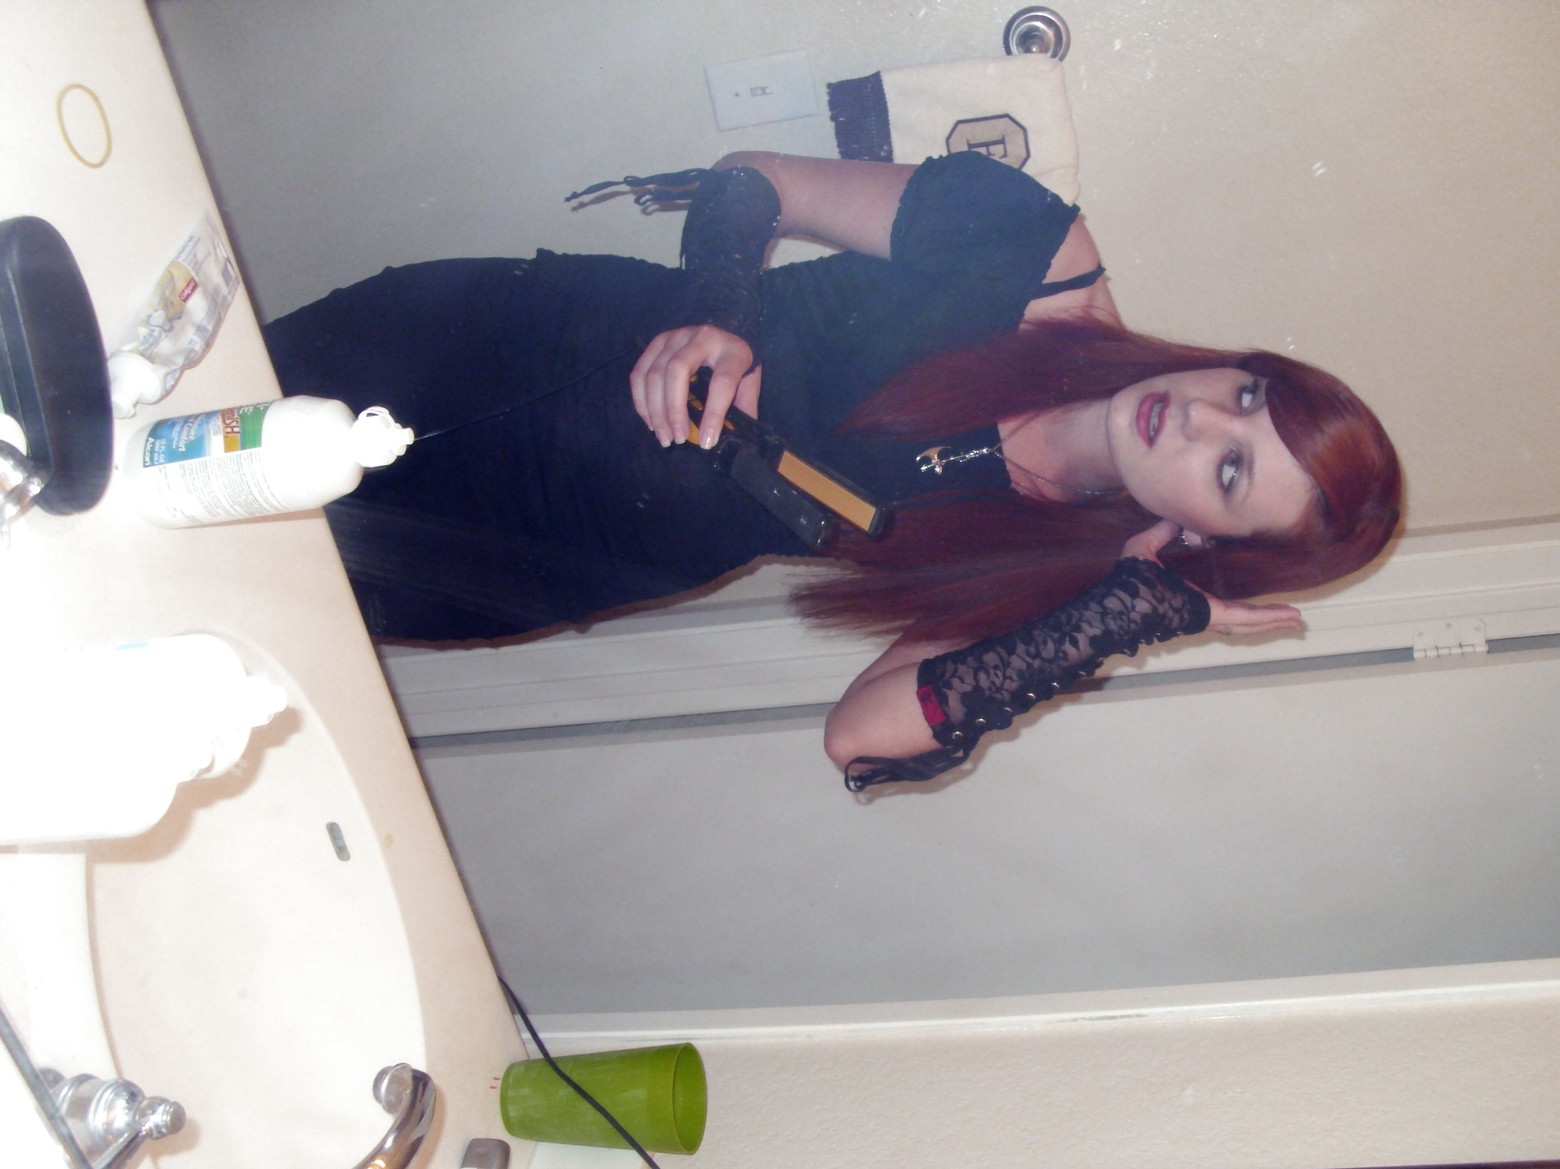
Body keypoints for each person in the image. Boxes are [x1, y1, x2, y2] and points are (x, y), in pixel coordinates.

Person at [264, 150, 1401, 789]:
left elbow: (861, 733)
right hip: (486, 347)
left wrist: (1131, 611)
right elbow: (756, 180)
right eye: (1245, 396)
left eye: (1231, 473)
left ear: (1202, 541)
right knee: (203, 434)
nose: (1198, 419)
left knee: (249, 599)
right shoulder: (1033, 252)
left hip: (524, 557)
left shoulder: (1054, 586)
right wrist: (720, 307)